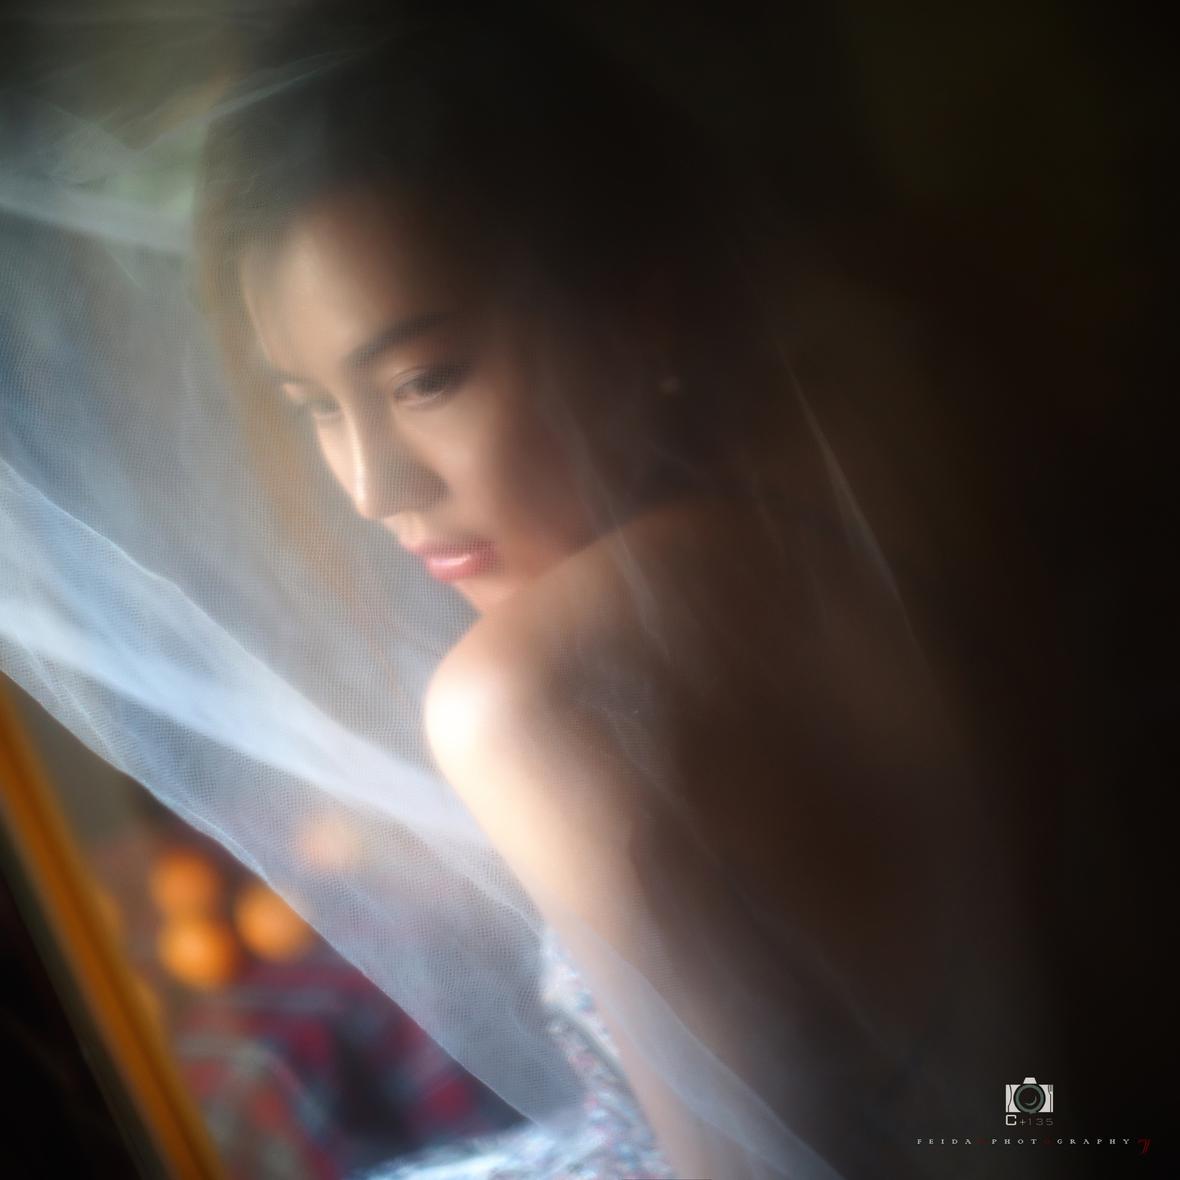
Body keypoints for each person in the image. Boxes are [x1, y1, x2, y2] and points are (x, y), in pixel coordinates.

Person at [189, 8, 1044, 1180]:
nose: (375, 487)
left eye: (424, 379)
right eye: (316, 407)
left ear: (640, 314)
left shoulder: (524, 694)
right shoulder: (842, 493)